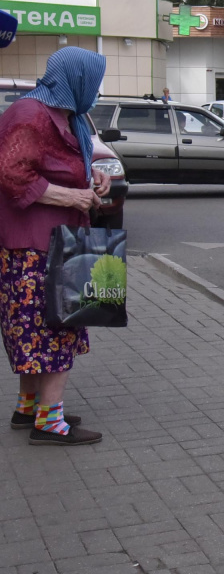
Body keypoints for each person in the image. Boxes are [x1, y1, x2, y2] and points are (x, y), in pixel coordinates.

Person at [0, 47, 109, 446]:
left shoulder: (65, 115)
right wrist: (72, 197)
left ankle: (28, 407)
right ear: (76, 79)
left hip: (53, 242)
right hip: (36, 246)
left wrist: (92, 176)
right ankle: (50, 422)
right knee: (54, 330)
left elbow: (56, 164)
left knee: (37, 329)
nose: (96, 89)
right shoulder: (31, 114)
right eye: (94, 80)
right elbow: (11, 175)